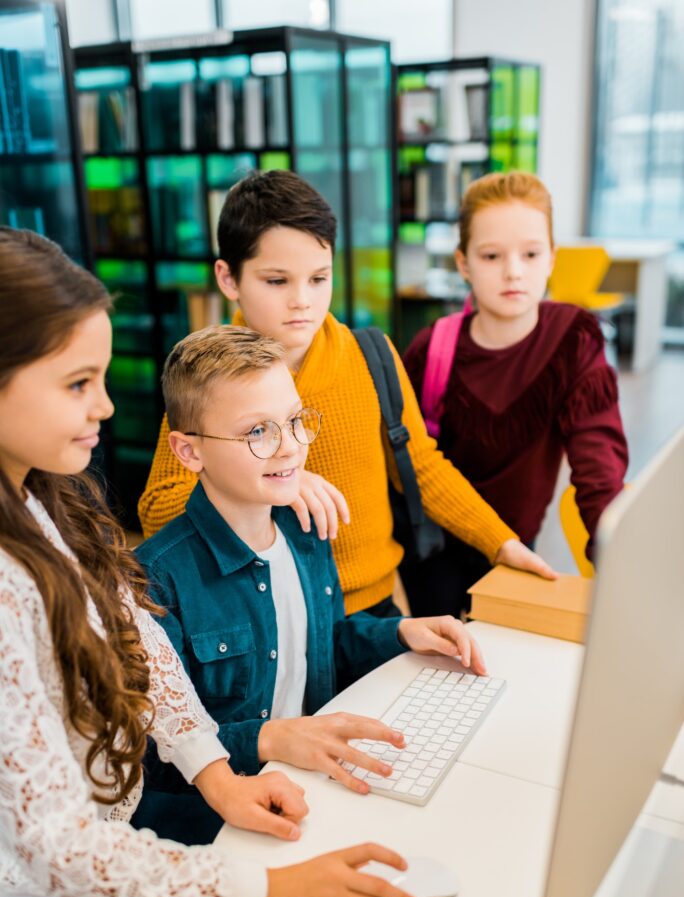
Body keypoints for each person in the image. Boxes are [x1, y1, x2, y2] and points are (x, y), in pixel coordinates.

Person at [0, 229, 421, 897]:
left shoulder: (42, 498)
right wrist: (264, 892)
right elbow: (56, 844)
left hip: (108, 864)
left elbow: (136, 641)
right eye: (78, 382)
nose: (107, 407)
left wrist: (213, 769)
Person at [138, 170, 555, 619]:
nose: (302, 300)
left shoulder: (369, 356)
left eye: (318, 279)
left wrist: (501, 542)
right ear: (228, 279)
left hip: (373, 606)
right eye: (277, 281)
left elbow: (422, 467)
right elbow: (157, 508)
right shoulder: (210, 375)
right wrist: (272, 488)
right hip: (268, 618)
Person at [132, 324, 487, 845]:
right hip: (214, 832)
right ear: (188, 452)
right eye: (257, 431)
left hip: (311, 791)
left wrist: (400, 633)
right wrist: (272, 738)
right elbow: (149, 755)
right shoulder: (153, 579)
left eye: (295, 421)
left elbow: (319, 647)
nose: (291, 447)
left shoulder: (305, 531)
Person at [402, 171, 629, 616]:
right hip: (432, 553)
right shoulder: (432, 348)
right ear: (464, 263)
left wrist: (620, 564)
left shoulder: (574, 339)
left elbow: (598, 467)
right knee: (438, 671)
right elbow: (402, 459)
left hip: (519, 547)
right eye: (491, 255)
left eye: (530, 253)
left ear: (551, 258)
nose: (513, 272)